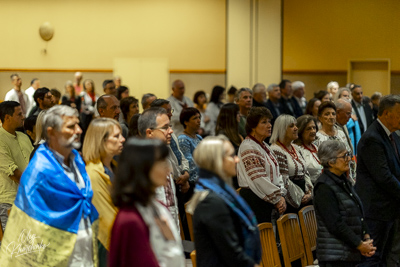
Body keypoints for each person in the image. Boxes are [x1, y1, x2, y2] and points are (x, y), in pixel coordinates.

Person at [0, 105, 99, 266]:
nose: (79, 131)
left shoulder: (75, 158)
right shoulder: (43, 161)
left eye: (78, 125)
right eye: (71, 127)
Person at [109, 138, 185, 267]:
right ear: (143, 167)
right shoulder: (129, 220)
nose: (168, 170)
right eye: (162, 163)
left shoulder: (158, 206)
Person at [189, 136, 262, 267]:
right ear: (217, 162)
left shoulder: (223, 193)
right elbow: (230, 252)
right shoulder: (211, 202)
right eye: (231, 155)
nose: (237, 159)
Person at [315, 140, 376, 267]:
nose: (349, 159)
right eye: (344, 156)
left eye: (348, 154)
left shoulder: (343, 180)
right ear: (331, 162)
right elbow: (335, 224)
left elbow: (358, 210)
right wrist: (359, 245)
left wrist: (366, 237)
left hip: (348, 253)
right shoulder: (324, 187)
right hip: (335, 257)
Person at [356, 95, 400, 266]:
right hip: (375, 211)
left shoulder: (392, 136)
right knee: (372, 258)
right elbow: (384, 177)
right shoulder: (372, 138)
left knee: (387, 256)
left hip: (389, 209)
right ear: (387, 114)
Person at [83, 118, 125, 267]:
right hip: (106, 244)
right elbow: (106, 219)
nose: (123, 139)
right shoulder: (93, 174)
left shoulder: (114, 166)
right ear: (101, 141)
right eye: (116, 136)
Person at [237, 107, 286, 223]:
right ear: (253, 126)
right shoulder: (248, 146)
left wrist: (281, 194)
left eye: (269, 121)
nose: (269, 125)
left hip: (268, 199)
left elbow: (277, 173)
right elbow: (258, 178)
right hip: (255, 200)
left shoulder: (264, 145)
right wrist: (277, 198)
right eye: (264, 122)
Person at [0, 101, 33, 234]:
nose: (23, 116)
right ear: (7, 117)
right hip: (10, 201)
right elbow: (14, 174)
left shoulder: (24, 137)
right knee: (14, 246)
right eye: (19, 114)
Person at [270, 114, 313, 214]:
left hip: (305, 196)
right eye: (291, 126)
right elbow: (284, 180)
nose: (296, 128)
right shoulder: (276, 150)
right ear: (282, 129)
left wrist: (310, 193)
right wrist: (301, 197)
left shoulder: (296, 148)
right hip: (291, 200)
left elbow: (305, 172)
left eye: (296, 125)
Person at [294, 115, 322, 184]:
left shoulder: (316, 146)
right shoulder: (296, 149)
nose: (313, 131)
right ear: (300, 131)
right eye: (308, 129)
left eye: (314, 128)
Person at [178, 107, 203, 184]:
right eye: (195, 118)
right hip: (194, 181)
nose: (199, 121)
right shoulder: (183, 139)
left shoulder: (198, 137)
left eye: (199, 117)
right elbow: (190, 164)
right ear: (186, 122)